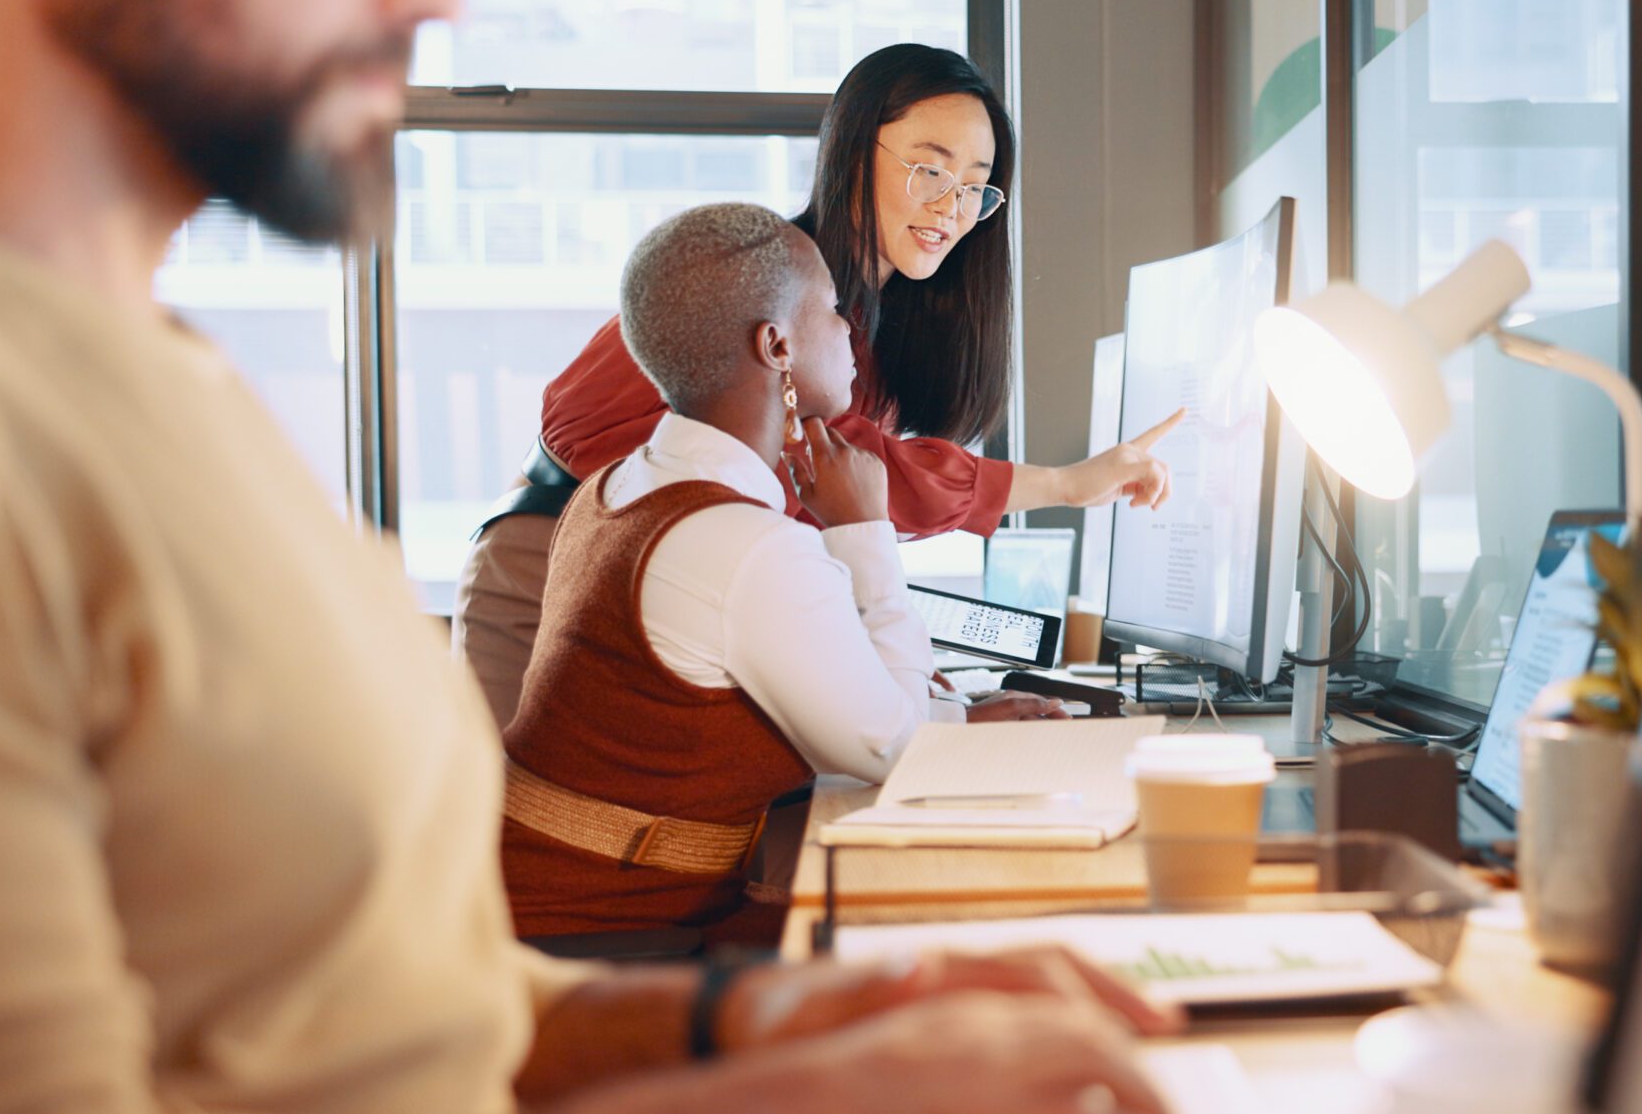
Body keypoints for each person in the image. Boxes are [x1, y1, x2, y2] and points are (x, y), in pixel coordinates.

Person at [0, 0, 1177, 1114]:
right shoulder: (4, 437)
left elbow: (390, 998)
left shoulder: (171, 390)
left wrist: (749, 1029)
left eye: (975, 182)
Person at [454, 43, 1186, 726]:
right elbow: (847, 471)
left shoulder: (870, 325)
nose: (951, 208)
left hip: (667, 591)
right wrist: (1064, 485)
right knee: (536, 838)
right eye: (930, 169)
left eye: (975, 187)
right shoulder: (760, 277)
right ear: (851, 151)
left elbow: (821, 512)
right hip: (549, 573)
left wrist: (927, 702)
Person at [504, 201, 1039, 943]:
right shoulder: (742, 544)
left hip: (545, 904)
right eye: (832, 309)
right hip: (600, 937)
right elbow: (896, 750)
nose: (853, 330)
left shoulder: (622, 487)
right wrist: (863, 531)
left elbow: (821, 694)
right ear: (776, 344)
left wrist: (956, 717)